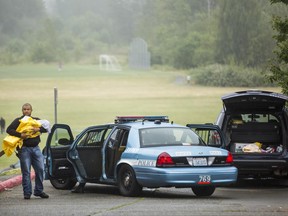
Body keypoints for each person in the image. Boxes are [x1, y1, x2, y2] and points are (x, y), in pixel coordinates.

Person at [6, 103, 49, 199]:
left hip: (36, 148)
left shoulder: (36, 120)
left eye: (28, 109)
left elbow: (46, 128)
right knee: (26, 172)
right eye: (24, 109)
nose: (26, 111)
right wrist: (20, 135)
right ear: (22, 111)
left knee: (41, 169)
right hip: (24, 149)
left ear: (31, 110)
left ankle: (38, 191)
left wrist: (38, 129)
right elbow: (9, 130)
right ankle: (27, 193)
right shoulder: (18, 121)